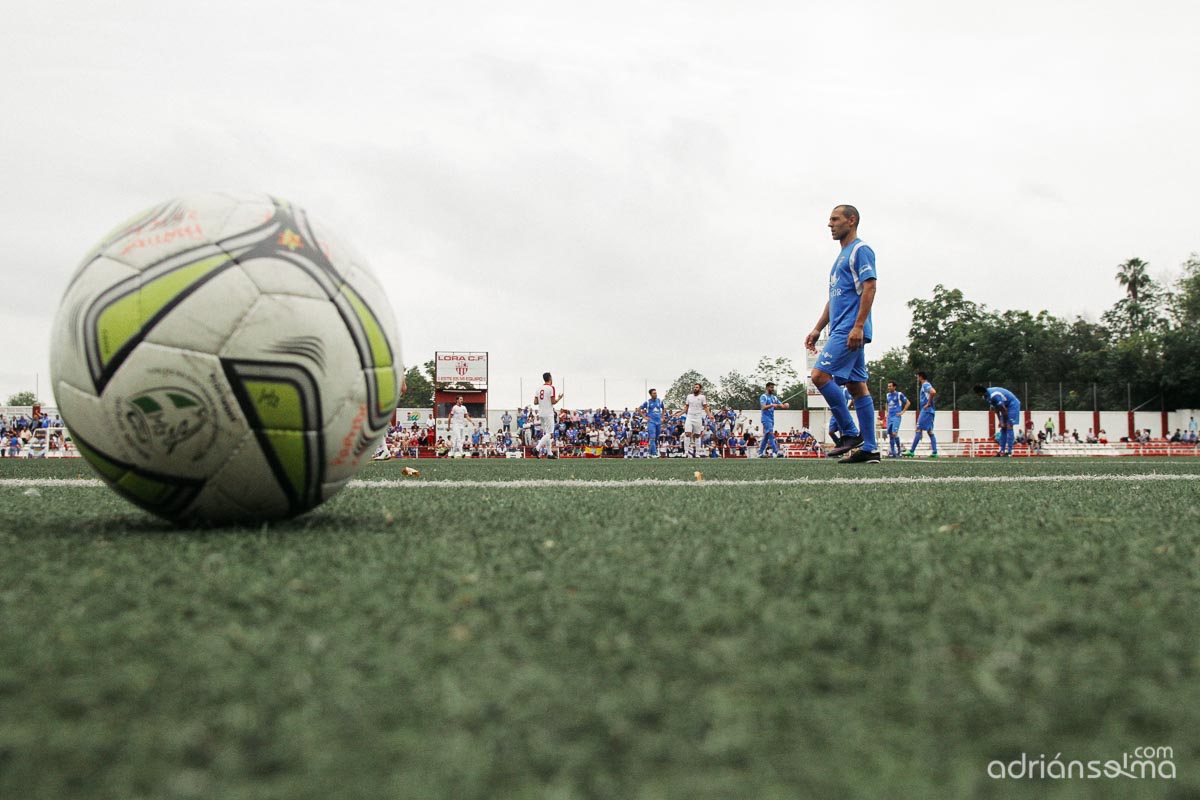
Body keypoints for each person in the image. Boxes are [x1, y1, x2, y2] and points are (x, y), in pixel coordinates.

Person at [803, 204, 880, 464]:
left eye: (835, 219)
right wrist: (817, 327)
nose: (830, 224)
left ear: (852, 220)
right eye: (829, 219)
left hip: (850, 328)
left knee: (819, 375)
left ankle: (849, 432)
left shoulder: (860, 250)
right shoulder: (839, 260)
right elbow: (833, 299)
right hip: (840, 328)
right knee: (857, 387)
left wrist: (858, 325)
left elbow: (870, 287)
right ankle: (870, 448)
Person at [975, 384, 1020, 456]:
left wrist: (1004, 422)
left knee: (1009, 426)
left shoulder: (994, 395)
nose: (977, 395)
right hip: (1005, 406)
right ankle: (1001, 451)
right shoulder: (986, 396)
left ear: (980, 392)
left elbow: (1003, 409)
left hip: (1012, 404)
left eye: (977, 393)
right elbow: (996, 408)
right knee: (1003, 428)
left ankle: (1009, 451)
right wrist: (1000, 421)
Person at [905, 371, 938, 458]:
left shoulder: (925, 385)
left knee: (919, 429)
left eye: (917, 377)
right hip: (930, 411)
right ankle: (935, 452)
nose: (917, 378)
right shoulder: (927, 384)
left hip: (926, 410)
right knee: (930, 431)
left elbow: (933, 392)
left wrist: (928, 403)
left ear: (921, 377)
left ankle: (912, 451)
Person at [676, 382, 712, 458]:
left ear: (700, 389)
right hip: (689, 417)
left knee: (697, 435)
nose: (695, 388)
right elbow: (686, 407)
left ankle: (697, 453)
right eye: (694, 387)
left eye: (697, 387)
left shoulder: (702, 397)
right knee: (687, 434)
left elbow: (705, 408)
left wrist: (710, 416)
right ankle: (686, 452)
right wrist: (679, 414)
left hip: (698, 418)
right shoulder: (689, 396)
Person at [535, 372, 564, 458]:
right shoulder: (551, 388)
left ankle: (549, 453)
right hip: (548, 413)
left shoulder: (539, 388)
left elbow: (535, 402)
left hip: (541, 413)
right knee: (550, 434)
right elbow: (553, 402)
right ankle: (537, 448)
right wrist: (559, 398)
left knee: (547, 433)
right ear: (550, 378)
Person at [757, 381, 790, 458]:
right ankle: (776, 451)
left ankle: (760, 453)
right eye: (771, 387)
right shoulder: (763, 397)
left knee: (766, 436)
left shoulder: (774, 397)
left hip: (771, 419)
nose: (773, 389)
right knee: (771, 434)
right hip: (766, 418)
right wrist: (772, 405)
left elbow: (780, 405)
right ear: (767, 388)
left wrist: (785, 405)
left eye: (773, 388)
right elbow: (763, 407)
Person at [637, 388, 666, 457]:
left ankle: (650, 453)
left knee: (656, 438)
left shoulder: (660, 401)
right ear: (650, 394)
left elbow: (664, 408)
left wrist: (662, 417)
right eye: (654, 393)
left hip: (658, 422)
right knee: (652, 437)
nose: (655, 394)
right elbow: (638, 409)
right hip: (651, 422)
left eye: (656, 393)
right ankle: (655, 453)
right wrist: (644, 417)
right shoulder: (648, 402)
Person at [885, 380, 910, 458]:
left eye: (890, 386)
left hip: (896, 416)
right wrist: (887, 412)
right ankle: (893, 452)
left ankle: (899, 451)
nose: (889, 387)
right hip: (890, 416)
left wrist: (902, 412)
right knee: (890, 434)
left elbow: (908, 402)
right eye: (888, 386)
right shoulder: (888, 395)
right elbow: (886, 403)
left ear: (894, 387)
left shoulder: (899, 394)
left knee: (894, 433)